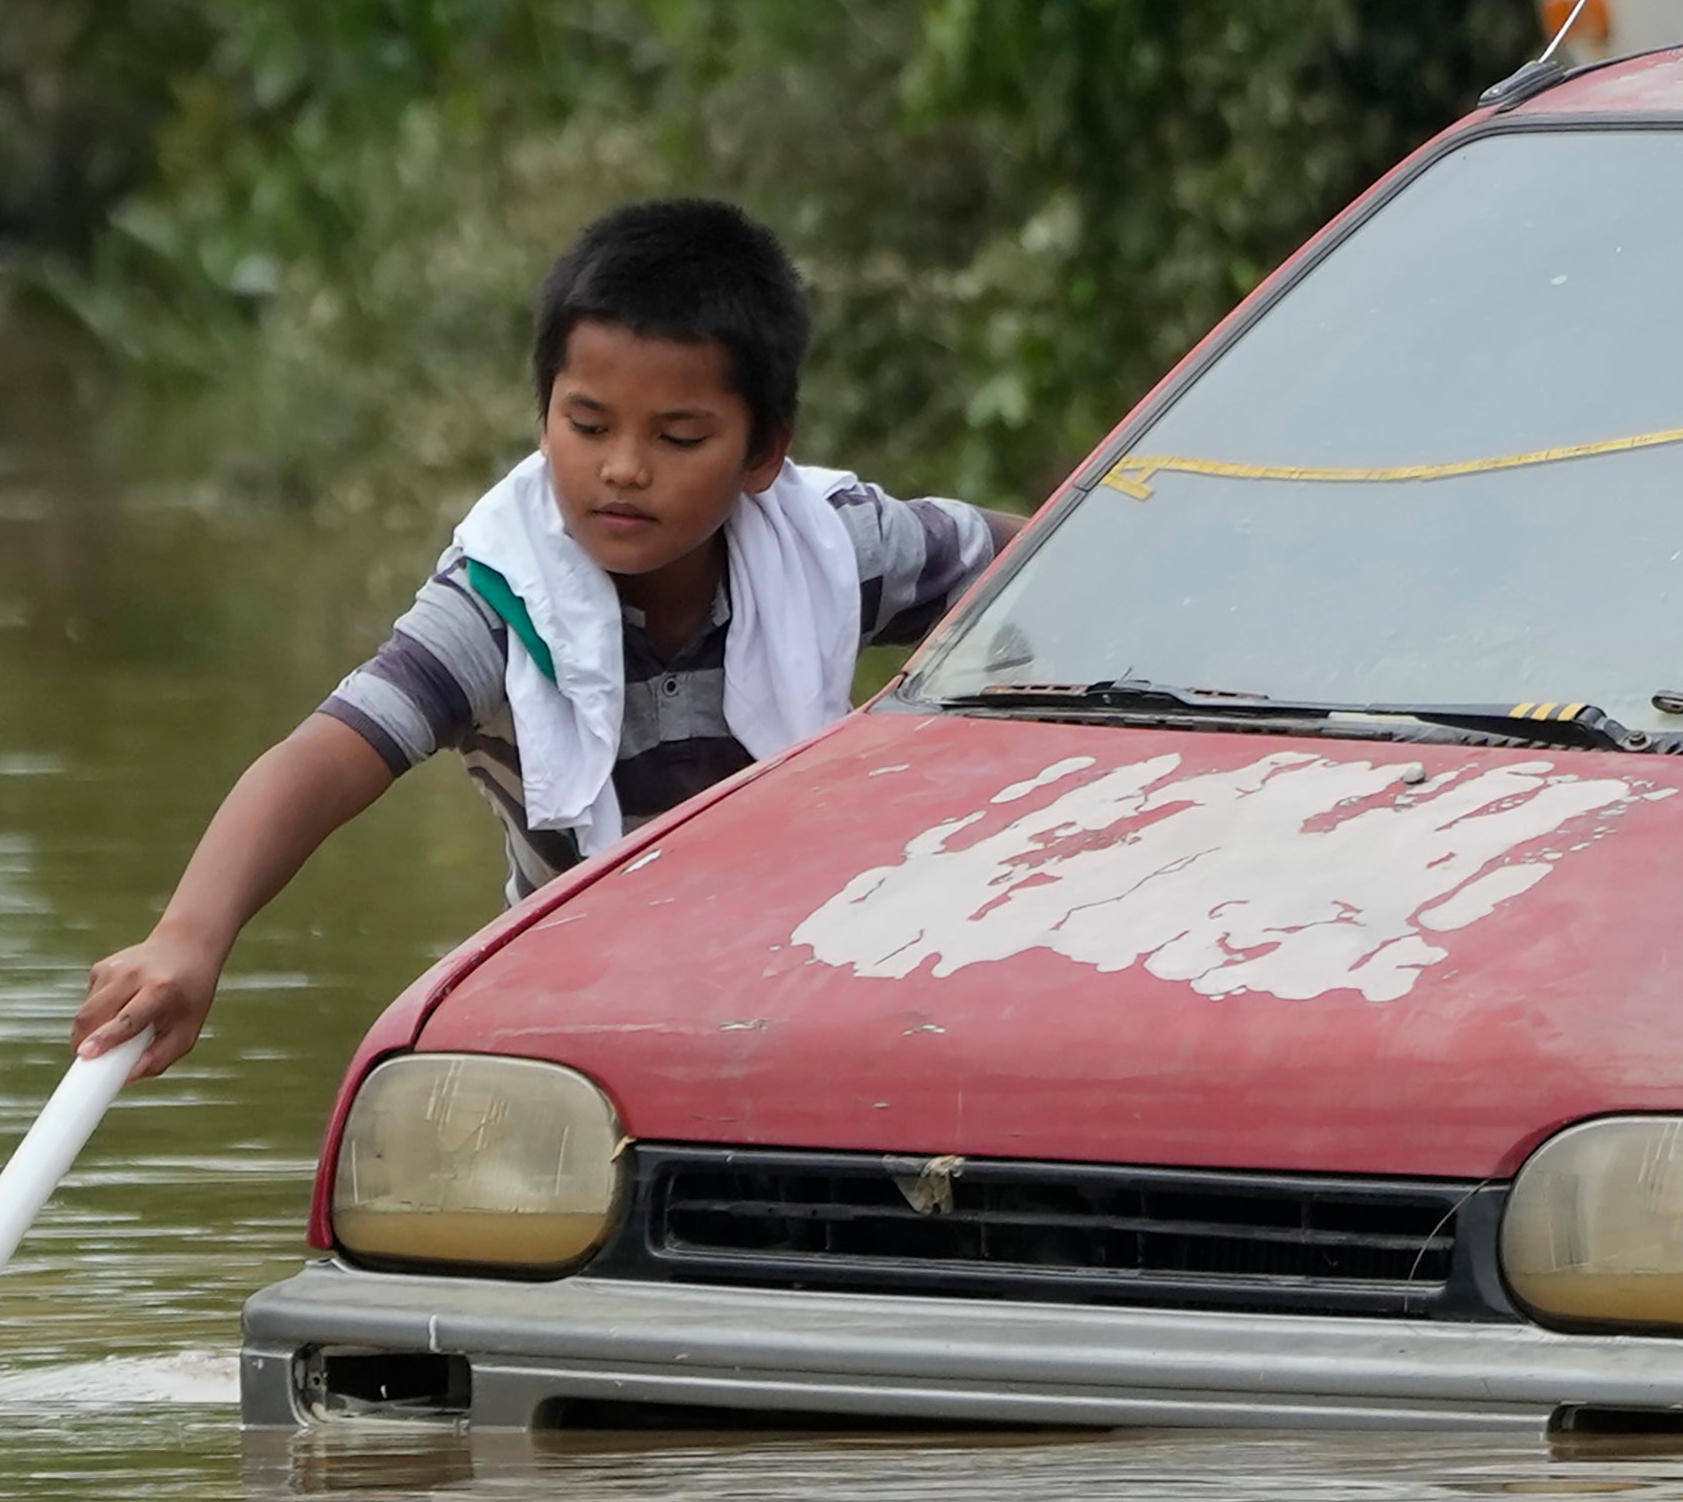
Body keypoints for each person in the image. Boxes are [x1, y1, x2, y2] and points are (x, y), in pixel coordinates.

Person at [77, 199, 1003, 1068]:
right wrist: (189, 938)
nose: (624, 469)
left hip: (805, 995)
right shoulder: (500, 600)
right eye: (587, 425)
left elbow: (1050, 557)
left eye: (679, 438)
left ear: (765, 453)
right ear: (545, 416)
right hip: (577, 1024)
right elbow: (320, 761)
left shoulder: (833, 545)